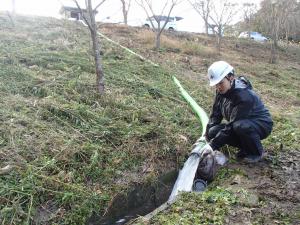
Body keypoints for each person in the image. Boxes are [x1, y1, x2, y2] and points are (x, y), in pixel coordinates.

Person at [201, 61, 273, 163]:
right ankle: (246, 147)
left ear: (231, 77)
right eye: (216, 84)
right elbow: (216, 114)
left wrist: (212, 146)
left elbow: (231, 126)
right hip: (239, 124)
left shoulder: (244, 96)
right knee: (213, 131)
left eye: (220, 83)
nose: (218, 87)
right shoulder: (221, 91)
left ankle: (256, 152)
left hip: (261, 124)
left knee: (240, 126)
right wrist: (207, 136)